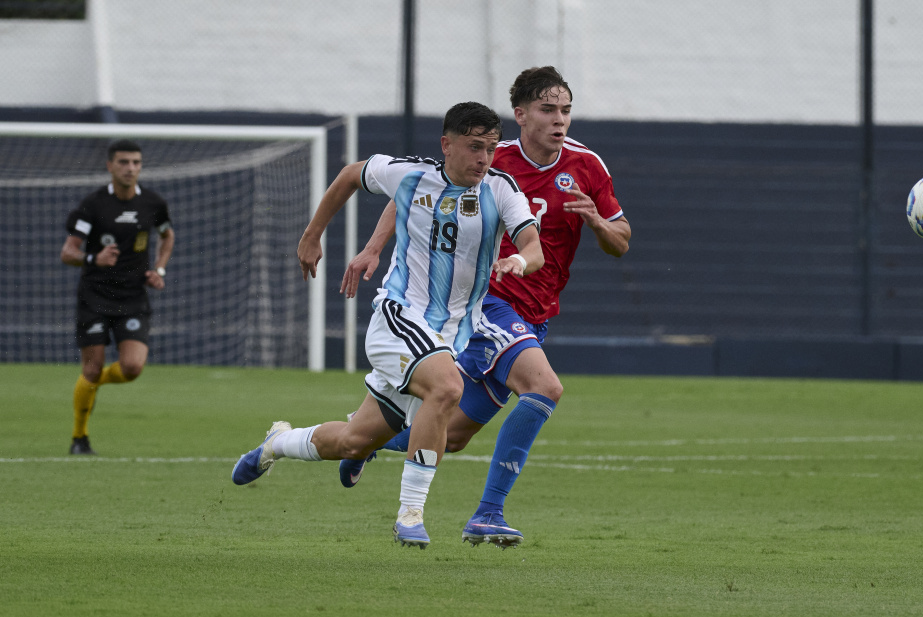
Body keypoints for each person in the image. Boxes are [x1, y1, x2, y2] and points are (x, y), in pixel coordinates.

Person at [339, 66, 631, 548]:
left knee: (452, 435)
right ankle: (488, 514)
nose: (560, 120)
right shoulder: (492, 160)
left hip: (534, 312)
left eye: (566, 110)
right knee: (544, 386)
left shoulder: (587, 166)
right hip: (489, 303)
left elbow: (621, 242)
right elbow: (414, 194)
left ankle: (364, 442)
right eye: (548, 110)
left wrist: (597, 221)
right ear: (521, 115)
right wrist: (373, 247)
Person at [230, 101, 543, 550]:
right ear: (447, 144)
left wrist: (518, 259)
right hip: (399, 317)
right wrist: (311, 234)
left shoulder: (500, 189)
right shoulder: (409, 174)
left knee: (355, 442)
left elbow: (534, 247)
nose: (484, 159)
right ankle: (410, 515)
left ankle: (277, 443)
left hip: (450, 335)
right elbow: (348, 175)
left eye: (491, 149)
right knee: (448, 389)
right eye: (474, 147)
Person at [61, 139, 175, 455]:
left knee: (132, 368)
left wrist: (159, 270)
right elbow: (68, 252)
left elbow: (167, 237)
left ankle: (91, 384)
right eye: (124, 162)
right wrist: (92, 259)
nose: (131, 168)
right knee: (93, 368)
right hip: (94, 297)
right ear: (110, 166)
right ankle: (79, 438)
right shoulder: (92, 206)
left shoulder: (153, 204)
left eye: (136, 162)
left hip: (133, 297)